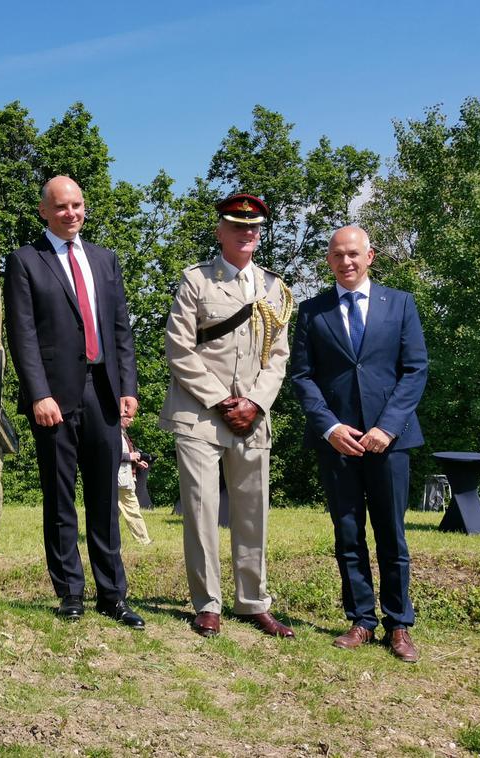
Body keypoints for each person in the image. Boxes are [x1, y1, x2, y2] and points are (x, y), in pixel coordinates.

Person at [4, 176, 145, 629]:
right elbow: (22, 333)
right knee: (60, 496)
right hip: (54, 397)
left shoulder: (105, 260)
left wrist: (128, 386)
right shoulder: (26, 261)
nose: (71, 213)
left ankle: (113, 594)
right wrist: (38, 393)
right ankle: (69, 592)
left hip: (103, 389)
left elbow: (120, 328)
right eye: (61, 207)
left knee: (105, 497)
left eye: (78, 205)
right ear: (44, 211)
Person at [290, 225, 428, 663]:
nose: (345, 262)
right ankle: (361, 621)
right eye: (336, 255)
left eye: (353, 254)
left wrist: (387, 427)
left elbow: (414, 370)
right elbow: (303, 376)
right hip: (338, 442)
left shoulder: (400, 303)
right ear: (328, 260)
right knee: (348, 533)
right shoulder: (312, 311)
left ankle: (399, 623)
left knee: (392, 533)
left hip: (390, 441)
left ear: (370, 256)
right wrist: (330, 427)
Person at [160, 193, 295, 639]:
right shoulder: (196, 282)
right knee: (201, 511)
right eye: (237, 226)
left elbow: (278, 355)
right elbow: (179, 349)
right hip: (200, 414)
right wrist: (222, 401)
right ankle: (208, 604)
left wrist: (255, 403)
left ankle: (253, 601)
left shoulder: (275, 289)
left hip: (252, 416)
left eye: (254, 228)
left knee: (253, 511)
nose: (247, 234)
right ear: (220, 231)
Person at [117, 420, 152, 544]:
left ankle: (103, 538)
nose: (132, 420)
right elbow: (109, 453)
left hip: (123, 479)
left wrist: (136, 463)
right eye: (129, 417)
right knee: (133, 510)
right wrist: (129, 457)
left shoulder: (123, 433)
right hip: (121, 481)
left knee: (113, 512)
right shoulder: (114, 433)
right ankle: (144, 541)